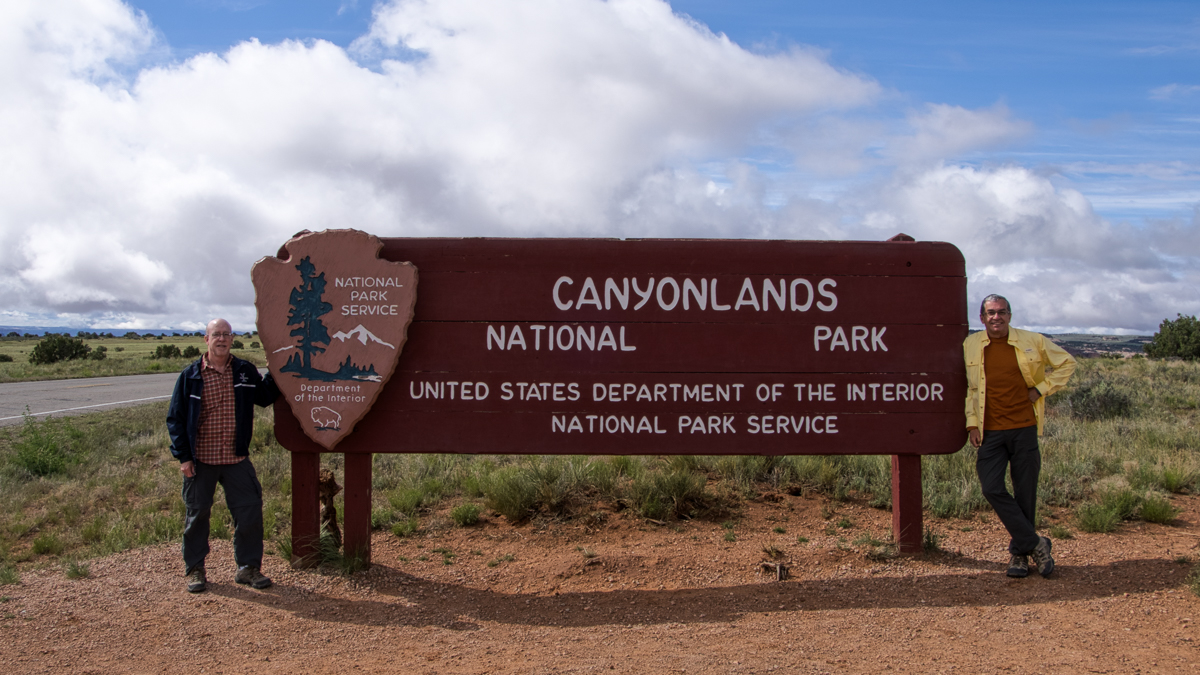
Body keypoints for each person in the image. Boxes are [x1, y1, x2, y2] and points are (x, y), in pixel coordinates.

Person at [965, 295, 1076, 579]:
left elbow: (1067, 363)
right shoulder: (971, 345)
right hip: (990, 431)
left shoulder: (1033, 341)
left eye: (1001, 312)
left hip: (1024, 427)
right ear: (982, 318)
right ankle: (1036, 544)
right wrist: (972, 424)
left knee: (1025, 493)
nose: (996, 318)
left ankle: (1019, 556)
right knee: (991, 487)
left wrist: (1041, 389)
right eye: (990, 313)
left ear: (1010, 315)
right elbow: (971, 388)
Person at [167, 319, 280, 593]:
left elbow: (264, 397)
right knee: (197, 515)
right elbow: (176, 419)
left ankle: (248, 568)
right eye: (216, 334)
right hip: (200, 460)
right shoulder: (191, 376)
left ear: (232, 339)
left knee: (250, 512)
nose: (221, 339)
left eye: (226, 334)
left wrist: (276, 368)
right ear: (206, 339)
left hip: (235, 458)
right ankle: (195, 569)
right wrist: (184, 457)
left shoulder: (243, 371)